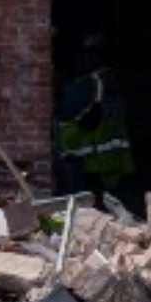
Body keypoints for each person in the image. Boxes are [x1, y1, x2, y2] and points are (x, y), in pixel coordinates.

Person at [54, 51, 136, 210]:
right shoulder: (108, 83)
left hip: (85, 155)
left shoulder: (85, 85)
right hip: (108, 159)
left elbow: (77, 117)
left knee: (84, 202)